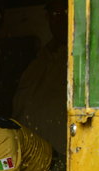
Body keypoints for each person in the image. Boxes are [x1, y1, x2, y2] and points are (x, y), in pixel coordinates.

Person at [12, 0, 68, 156]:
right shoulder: (40, 61)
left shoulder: (84, 59)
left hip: (63, 160)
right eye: (54, 14)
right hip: (29, 159)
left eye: (65, 12)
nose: (60, 20)